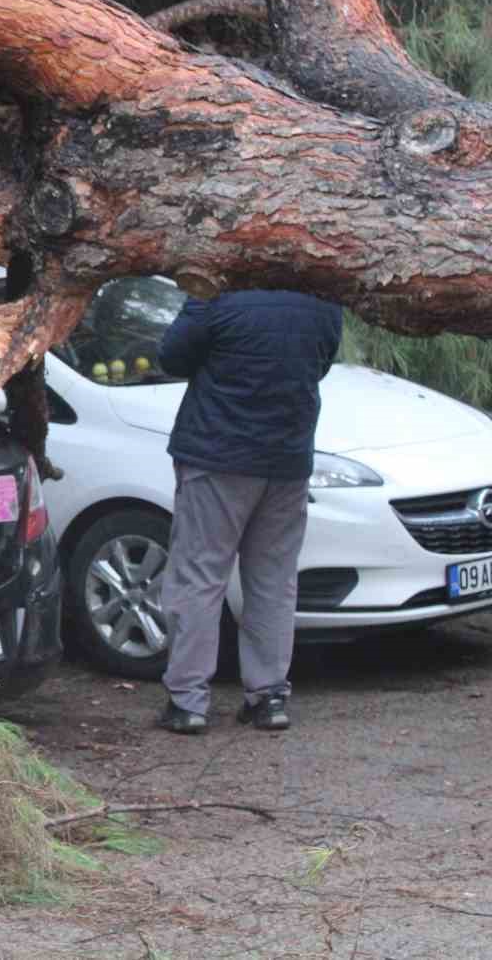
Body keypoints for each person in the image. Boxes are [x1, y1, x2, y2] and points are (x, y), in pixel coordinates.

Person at [153, 288, 343, 734]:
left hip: (216, 458)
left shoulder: (216, 297)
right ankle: (269, 696)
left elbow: (172, 358)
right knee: (274, 581)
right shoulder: (322, 300)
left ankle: (188, 702)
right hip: (287, 459)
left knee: (199, 577)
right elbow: (322, 363)